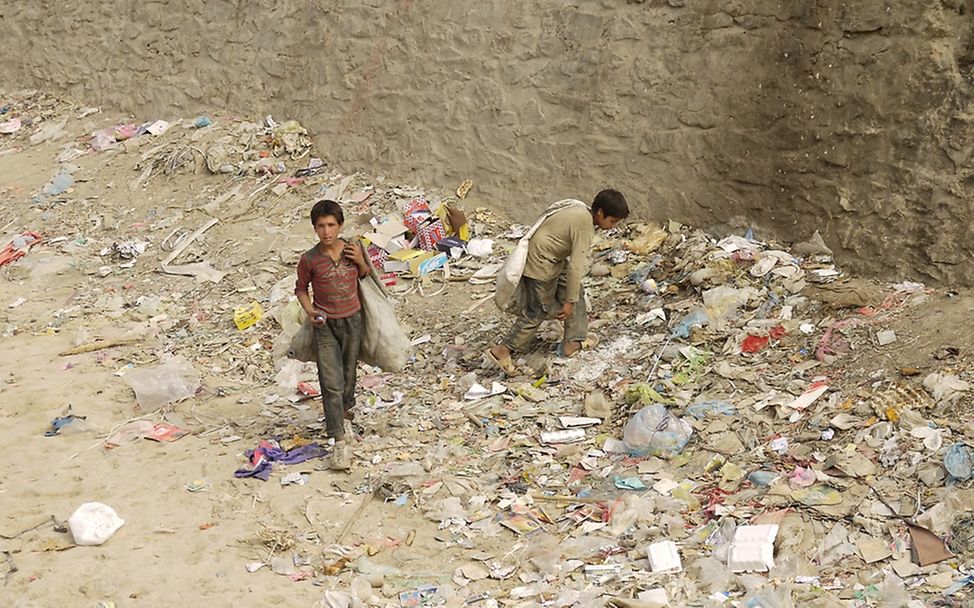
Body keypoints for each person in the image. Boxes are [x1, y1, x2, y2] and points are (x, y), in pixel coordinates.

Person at [488, 189, 629, 374]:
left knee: (575, 289)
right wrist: (568, 303)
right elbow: (576, 267)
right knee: (538, 310)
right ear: (600, 212)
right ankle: (502, 350)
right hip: (541, 262)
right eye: (612, 221)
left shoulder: (580, 211)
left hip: (553, 258)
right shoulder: (584, 226)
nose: (612, 227)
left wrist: (571, 297)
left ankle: (572, 341)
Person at [295, 200, 370, 471]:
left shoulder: (353, 248)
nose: (326, 232)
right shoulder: (310, 259)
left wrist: (361, 261)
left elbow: (365, 275)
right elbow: (301, 289)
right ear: (314, 228)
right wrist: (310, 310)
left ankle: (345, 415)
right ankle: (338, 439)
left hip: (353, 320)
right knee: (330, 381)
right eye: (321, 226)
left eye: (331, 225)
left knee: (349, 374)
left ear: (340, 226)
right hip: (324, 324)